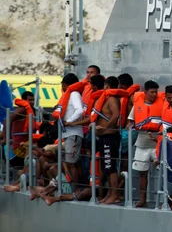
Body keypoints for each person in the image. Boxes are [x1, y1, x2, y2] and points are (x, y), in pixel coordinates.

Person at [127, 80, 164, 207]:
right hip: (142, 143)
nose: (154, 94)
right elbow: (131, 121)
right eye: (152, 92)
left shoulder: (162, 104)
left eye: (156, 92)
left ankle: (165, 201)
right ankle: (142, 199)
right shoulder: (138, 105)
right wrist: (130, 127)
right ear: (146, 92)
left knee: (163, 171)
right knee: (142, 173)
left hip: (157, 143)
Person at [89, 74, 122, 205]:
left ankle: (114, 195)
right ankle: (110, 193)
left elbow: (116, 115)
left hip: (110, 136)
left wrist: (104, 127)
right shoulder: (106, 98)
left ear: (106, 86)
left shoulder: (112, 98)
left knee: (110, 167)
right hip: (104, 137)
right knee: (106, 167)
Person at [58, 73, 84, 186]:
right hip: (68, 134)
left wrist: (70, 121)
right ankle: (74, 188)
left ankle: (75, 189)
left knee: (71, 163)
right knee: (71, 163)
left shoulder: (74, 94)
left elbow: (80, 110)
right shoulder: (69, 95)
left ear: (65, 84)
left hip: (73, 133)